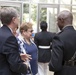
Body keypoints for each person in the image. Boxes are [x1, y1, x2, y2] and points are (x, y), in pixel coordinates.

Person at [0, 7, 29, 75]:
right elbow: (15, 66)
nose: (19, 20)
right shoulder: (10, 38)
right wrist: (25, 66)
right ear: (14, 19)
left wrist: (18, 56)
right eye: (18, 17)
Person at [49, 10, 76, 75]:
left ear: (62, 20)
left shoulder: (59, 38)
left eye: (57, 20)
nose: (57, 23)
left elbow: (55, 66)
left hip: (64, 72)